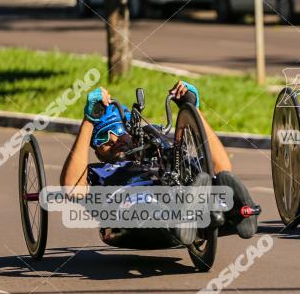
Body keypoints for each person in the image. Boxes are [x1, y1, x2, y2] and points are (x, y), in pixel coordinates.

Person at [60, 80, 258, 247]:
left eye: (119, 131)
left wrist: (192, 110)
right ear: (97, 152)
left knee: (216, 178)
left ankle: (239, 212)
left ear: (131, 131)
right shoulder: (98, 172)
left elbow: (221, 167)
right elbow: (71, 189)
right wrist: (89, 120)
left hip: (187, 209)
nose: (113, 140)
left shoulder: (163, 153)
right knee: (146, 206)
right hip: (133, 222)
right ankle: (184, 215)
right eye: (102, 138)